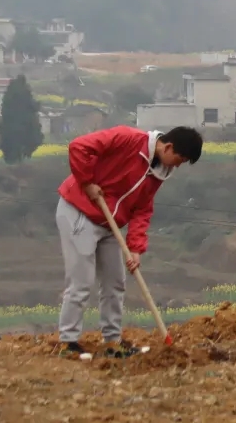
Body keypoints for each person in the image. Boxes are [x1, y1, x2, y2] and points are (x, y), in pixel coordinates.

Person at [55, 125, 203, 357]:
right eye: (179, 159)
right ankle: (68, 341)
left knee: (115, 282)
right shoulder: (127, 138)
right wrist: (87, 183)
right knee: (81, 281)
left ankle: (112, 341)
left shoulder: (159, 172)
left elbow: (142, 209)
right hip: (80, 211)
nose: (177, 166)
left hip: (109, 223)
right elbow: (78, 147)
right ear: (168, 147)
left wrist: (135, 248)